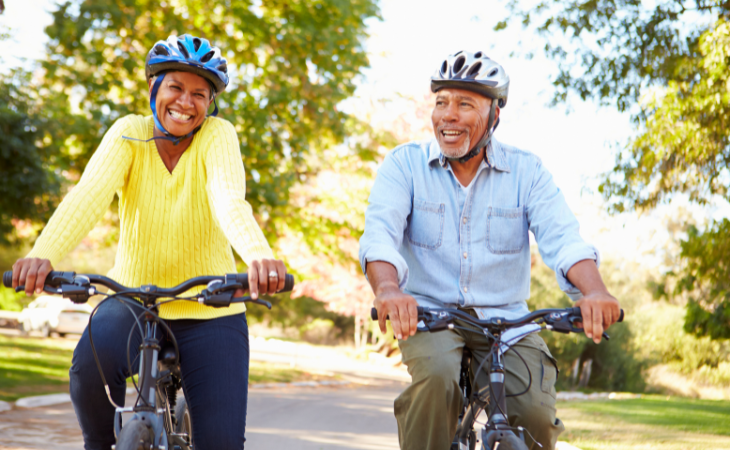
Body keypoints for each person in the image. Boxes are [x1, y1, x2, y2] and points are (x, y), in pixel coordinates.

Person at [11, 34, 286, 450]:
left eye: (200, 94)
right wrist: (41, 255)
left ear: (211, 104)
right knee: (87, 367)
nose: (186, 102)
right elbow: (89, 195)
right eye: (175, 87)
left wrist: (259, 256)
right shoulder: (128, 133)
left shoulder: (218, 135)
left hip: (210, 308)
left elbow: (229, 199)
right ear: (155, 88)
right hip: (133, 301)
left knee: (223, 443)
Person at [358, 51, 621, 450]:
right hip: (431, 316)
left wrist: (595, 291)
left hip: (508, 322)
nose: (448, 115)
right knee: (435, 381)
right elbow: (380, 234)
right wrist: (389, 290)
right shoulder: (404, 166)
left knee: (535, 415)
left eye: (465, 104)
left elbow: (563, 238)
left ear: (495, 115)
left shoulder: (527, 172)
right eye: (442, 102)